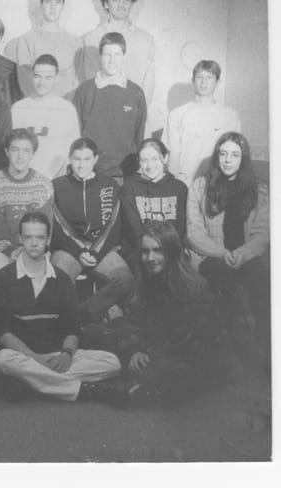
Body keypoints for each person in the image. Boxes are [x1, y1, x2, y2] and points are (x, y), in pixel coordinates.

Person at [0, 212, 123, 405]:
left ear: (48, 239)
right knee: (3, 360)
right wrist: (35, 358)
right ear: (20, 239)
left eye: (40, 237)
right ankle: (84, 391)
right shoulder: (3, 278)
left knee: (112, 362)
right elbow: (3, 333)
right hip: (24, 355)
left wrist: (67, 354)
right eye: (28, 237)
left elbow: (72, 329)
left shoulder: (61, 279)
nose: (34, 243)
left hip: (57, 355)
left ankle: (33, 384)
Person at [115, 221, 229, 404]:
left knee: (157, 372)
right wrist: (134, 351)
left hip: (191, 358)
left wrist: (148, 356)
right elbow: (133, 321)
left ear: (171, 252)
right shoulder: (144, 282)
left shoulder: (192, 288)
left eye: (157, 250)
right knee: (111, 345)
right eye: (145, 251)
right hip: (157, 353)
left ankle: (143, 389)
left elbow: (196, 343)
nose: (150, 258)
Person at [186, 132, 269, 349]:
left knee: (263, 283)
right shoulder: (200, 187)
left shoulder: (259, 190)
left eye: (234, 155)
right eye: (223, 154)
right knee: (222, 287)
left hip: (246, 256)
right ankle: (225, 349)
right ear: (217, 156)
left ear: (243, 158)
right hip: (212, 256)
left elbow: (262, 234)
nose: (228, 160)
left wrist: (241, 254)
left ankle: (264, 351)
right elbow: (194, 232)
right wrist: (223, 254)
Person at [51, 138, 133, 323]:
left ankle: (83, 314)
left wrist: (95, 252)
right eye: (77, 159)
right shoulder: (57, 185)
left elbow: (113, 225)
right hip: (69, 250)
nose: (81, 165)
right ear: (70, 158)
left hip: (100, 249)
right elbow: (58, 224)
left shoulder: (109, 185)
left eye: (87, 159)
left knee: (125, 279)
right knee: (57, 278)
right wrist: (79, 251)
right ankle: (67, 324)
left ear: (95, 159)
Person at [73, 32, 146, 179]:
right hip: (91, 174)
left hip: (126, 174)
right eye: (107, 55)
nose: (112, 61)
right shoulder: (84, 91)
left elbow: (139, 137)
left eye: (117, 55)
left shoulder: (136, 92)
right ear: (100, 56)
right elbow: (75, 135)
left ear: (124, 56)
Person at [163, 60, 241, 185]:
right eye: (199, 77)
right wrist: (173, 187)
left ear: (218, 82)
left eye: (209, 77)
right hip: (185, 182)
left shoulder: (230, 116)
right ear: (193, 81)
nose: (204, 82)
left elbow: (235, 154)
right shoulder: (177, 114)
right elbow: (174, 153)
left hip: (217, 182)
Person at [0, 129, 54, 269]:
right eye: (15, 150)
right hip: (3, 251)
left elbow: (44, 229)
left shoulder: (43, 185)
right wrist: (10, 251)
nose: (20, 156)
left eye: (26, 151)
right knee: (2, 273)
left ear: (33, 153)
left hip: (35, 248)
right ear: (7, 152)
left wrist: (27, 251)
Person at [11, 54, 80, 179]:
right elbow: (13, 149)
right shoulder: (18, 108)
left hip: (56, 179)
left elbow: (72, 150)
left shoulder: (66, 109)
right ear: (31, 76)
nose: (41, 83)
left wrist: (50, 175)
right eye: (37, 77)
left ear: (57, 78)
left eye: (48, 78)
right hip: (24, 180)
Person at [120, 138, 188, 265]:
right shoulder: (129, 188)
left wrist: (167, 252)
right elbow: (133, 228)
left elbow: (180, 228)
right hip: (141, 250)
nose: (150, 166)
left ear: (165, 158)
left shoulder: (179, 188)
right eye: (144, 160)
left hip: (171, 250)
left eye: (155, 159)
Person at [5, 0, 82, 99]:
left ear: (63, 6)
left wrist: (65, 105)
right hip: (37, 104)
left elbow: (78, 82)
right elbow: (26, 82)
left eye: (58, 2)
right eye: (48, 1)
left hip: (66, 105)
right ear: (41, 5)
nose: (53, 7)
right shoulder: (26, 40)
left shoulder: (75, 42)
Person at [82, 0, 155, 105]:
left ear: (132, 3)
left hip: (135, 108)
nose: (121, 3)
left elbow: (148, 83)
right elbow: (91, 80)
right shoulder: (92, 38)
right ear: (106, 3)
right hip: (103, 108)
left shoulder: (146, 40)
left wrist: (137, 109)